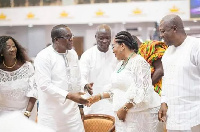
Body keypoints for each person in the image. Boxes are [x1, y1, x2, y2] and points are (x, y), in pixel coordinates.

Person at [87, 31, 162, 132]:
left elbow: (142, 90)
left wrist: (125, 109)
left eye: (113, 46)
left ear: (122, 46)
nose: (112, 50)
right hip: (126, 114)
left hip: (142, 114)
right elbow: (117, 90)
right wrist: (99, 97)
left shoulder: (139, 62)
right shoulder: (121, 64)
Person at [34, 24, 88, 132]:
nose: (71, 39)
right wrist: (69, 95)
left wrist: (84, 86)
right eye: (67, 37)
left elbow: (76, 79)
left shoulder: (73, 54)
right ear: (57, 40)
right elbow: (44, 85)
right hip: (51, 117)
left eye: (71, 35)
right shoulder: (43, 56)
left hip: (73, 115)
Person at [158, 14, 200, 132]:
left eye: (163, 31)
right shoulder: (167, 53)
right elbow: (166, 79)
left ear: (174, 29)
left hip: (195, 115)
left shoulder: (196, 46)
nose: (161, 36)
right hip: (174, 118)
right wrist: (163, 102)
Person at [79, 24, 117, 116]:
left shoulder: (116, 54)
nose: (104, 41)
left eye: (107, 38)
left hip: (112, 103)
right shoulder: (88, 55)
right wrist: (85, 84)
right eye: (101, 38)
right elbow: (81, 75)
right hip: (92, 103)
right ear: (95, 37)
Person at [0, 36, 37, 121]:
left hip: (26, 111)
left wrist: (27, 113)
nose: (12, 49)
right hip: (4, 114)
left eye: (13, 46)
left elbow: (34, 92)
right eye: (8, 47)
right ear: (1, 52)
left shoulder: (27, 66)